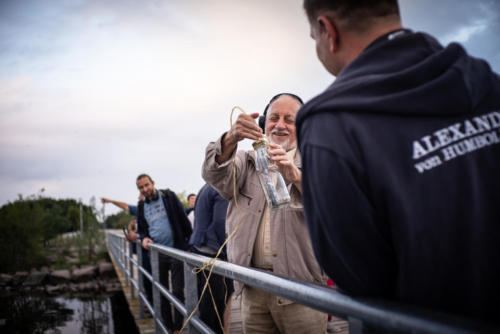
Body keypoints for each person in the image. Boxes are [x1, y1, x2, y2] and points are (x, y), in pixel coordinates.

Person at [297, 0, 500, 323]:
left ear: (327, 30)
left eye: (313, 37)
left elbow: (356, 276)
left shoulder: (331, 126)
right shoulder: (485, 80)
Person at [202, 93, 328, 333]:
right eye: (274, 118)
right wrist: (230, 138)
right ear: (263, 124)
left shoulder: (318, 162)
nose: (280, 125)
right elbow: (213, 173)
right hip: (253, 288)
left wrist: (296, 176)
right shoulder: (245, 161)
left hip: (304, 290)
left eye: (289, 119)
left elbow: (334, 204)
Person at [135, 174, 192, 334]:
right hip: (156, 253)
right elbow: (142, 230)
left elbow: (183, 219)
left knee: (178, 291)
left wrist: (190, 244)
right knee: (161, 291)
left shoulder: (168, 196)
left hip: (175, 250)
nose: (145, 189)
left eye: (147, 185)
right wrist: (143, 238)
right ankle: (168, 326)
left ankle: (178, 327)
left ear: (153, 183)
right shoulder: (141, 206)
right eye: (141, 187)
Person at [189, 183, 234, 334]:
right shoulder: (222, 188)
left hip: (200, 247)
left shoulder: (207, 186)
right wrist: (230, 250)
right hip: (212, 251)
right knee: (216, 298)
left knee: (208, 296)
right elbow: (221, 223)